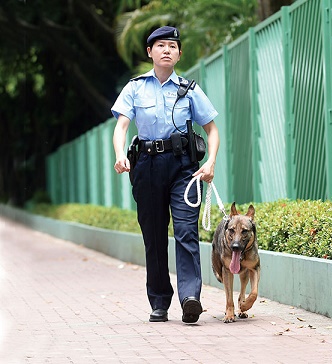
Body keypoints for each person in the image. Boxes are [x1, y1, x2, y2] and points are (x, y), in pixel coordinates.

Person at [111, 26, 220, 324]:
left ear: (179, 53)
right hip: (146, 167)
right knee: (155, 237)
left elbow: (211, 129)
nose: (167, 50)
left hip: (183, 167)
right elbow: (121, 126)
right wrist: (121, 154)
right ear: (150, 52)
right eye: (161, 45)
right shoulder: (134, 88)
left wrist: (210, 161)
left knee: (186, 231)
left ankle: (190, 298)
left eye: (173, 46)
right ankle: (159, 301)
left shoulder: (189, 89)